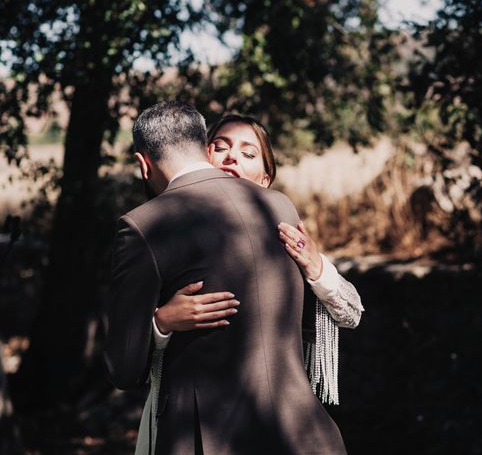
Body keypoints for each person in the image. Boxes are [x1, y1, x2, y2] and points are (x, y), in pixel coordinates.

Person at [104, 102, 347, 454]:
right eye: (223, 147)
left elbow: (124, 370)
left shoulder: (144, 225)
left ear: (144, 164)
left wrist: (158, 322)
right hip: (301, 433)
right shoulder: (280, 207)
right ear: (205, 148)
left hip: (209, 436)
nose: (233, 158)